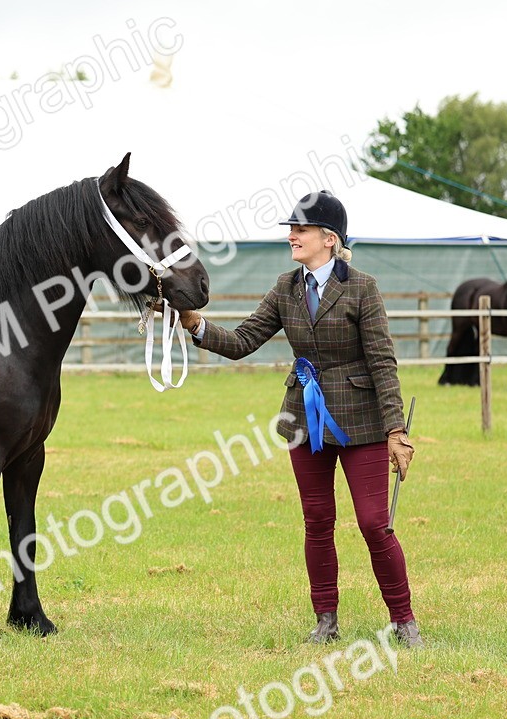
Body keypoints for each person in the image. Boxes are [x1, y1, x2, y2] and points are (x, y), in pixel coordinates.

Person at [175, 191, 422, 647]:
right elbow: (245, 339)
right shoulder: (286, 287)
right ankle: (325, 620)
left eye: (300, 229)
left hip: (362, 421)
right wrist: (195, 324)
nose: (292, 236)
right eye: (292, 229)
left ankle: (404, 621)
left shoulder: (362, 287)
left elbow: (383, 361)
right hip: (303, 421)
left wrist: (396, 430)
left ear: (329, 239)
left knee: (373, 523)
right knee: (317, 520)